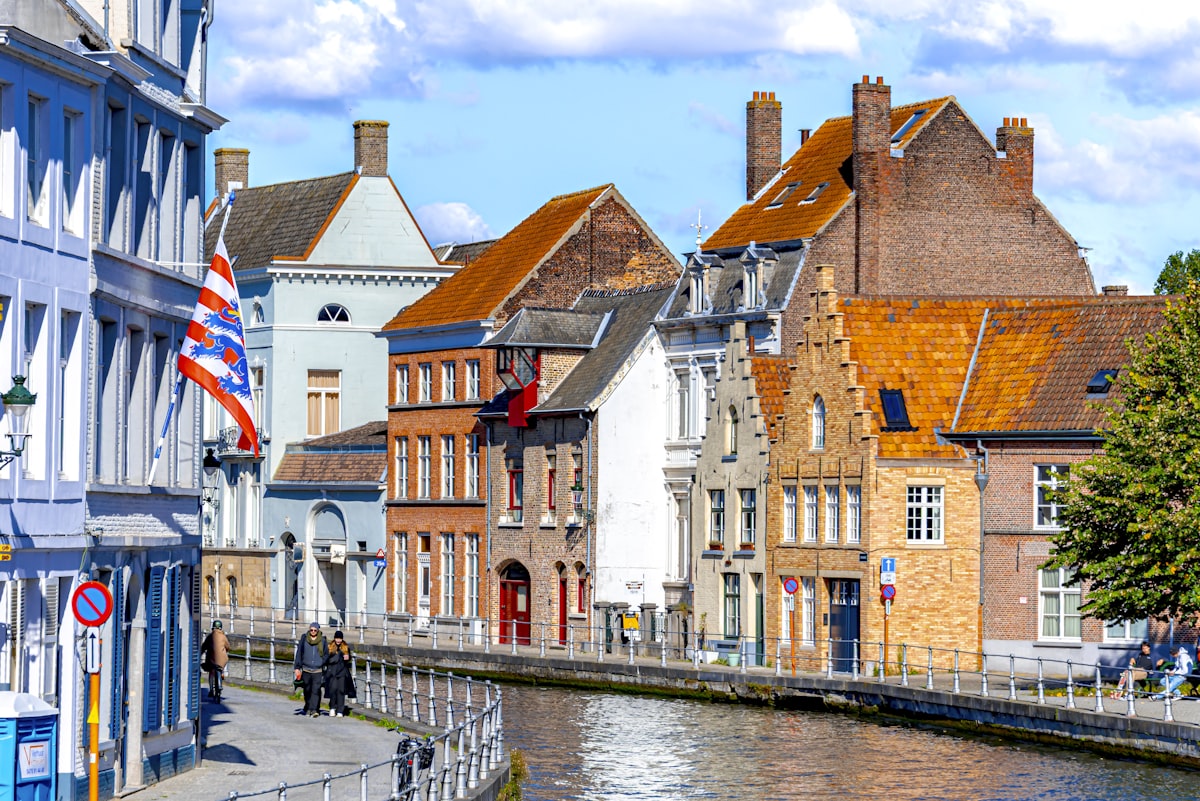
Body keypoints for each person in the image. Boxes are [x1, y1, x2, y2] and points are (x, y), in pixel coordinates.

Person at [293, 622, 328, 717]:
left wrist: (321, 663)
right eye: (311, 630)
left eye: (315, 630)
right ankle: (308, 707)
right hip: (306, 669)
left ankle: (315, 709)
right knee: (307, 689)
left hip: (318, 670)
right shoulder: (304, 639)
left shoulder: (323, 641)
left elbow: (326, 654)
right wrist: (297, 667)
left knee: (316, 690)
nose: (313, 632)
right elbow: (299, 653)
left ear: (318, 630)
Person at [323, 630, 353, 717]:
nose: (338, 640)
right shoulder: (330, 647)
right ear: (334, 638)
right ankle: (332, 707)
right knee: (333, 690)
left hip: (342, 672)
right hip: (332, 672)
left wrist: (348, 657)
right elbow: (326, 659)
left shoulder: (345, 647)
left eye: (340, 638)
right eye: (337, 638)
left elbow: (348, 659)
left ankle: (340, 710)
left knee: (341, 691)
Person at [200, 619, 230, 703]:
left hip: (212, 659)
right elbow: (228, 646)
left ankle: (211, 690)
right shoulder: (223, 636)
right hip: (222, 660)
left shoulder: (210, 636)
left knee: (211, 672)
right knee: (222, 664)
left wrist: (200, 654)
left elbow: (204, 646)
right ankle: (222, 674)